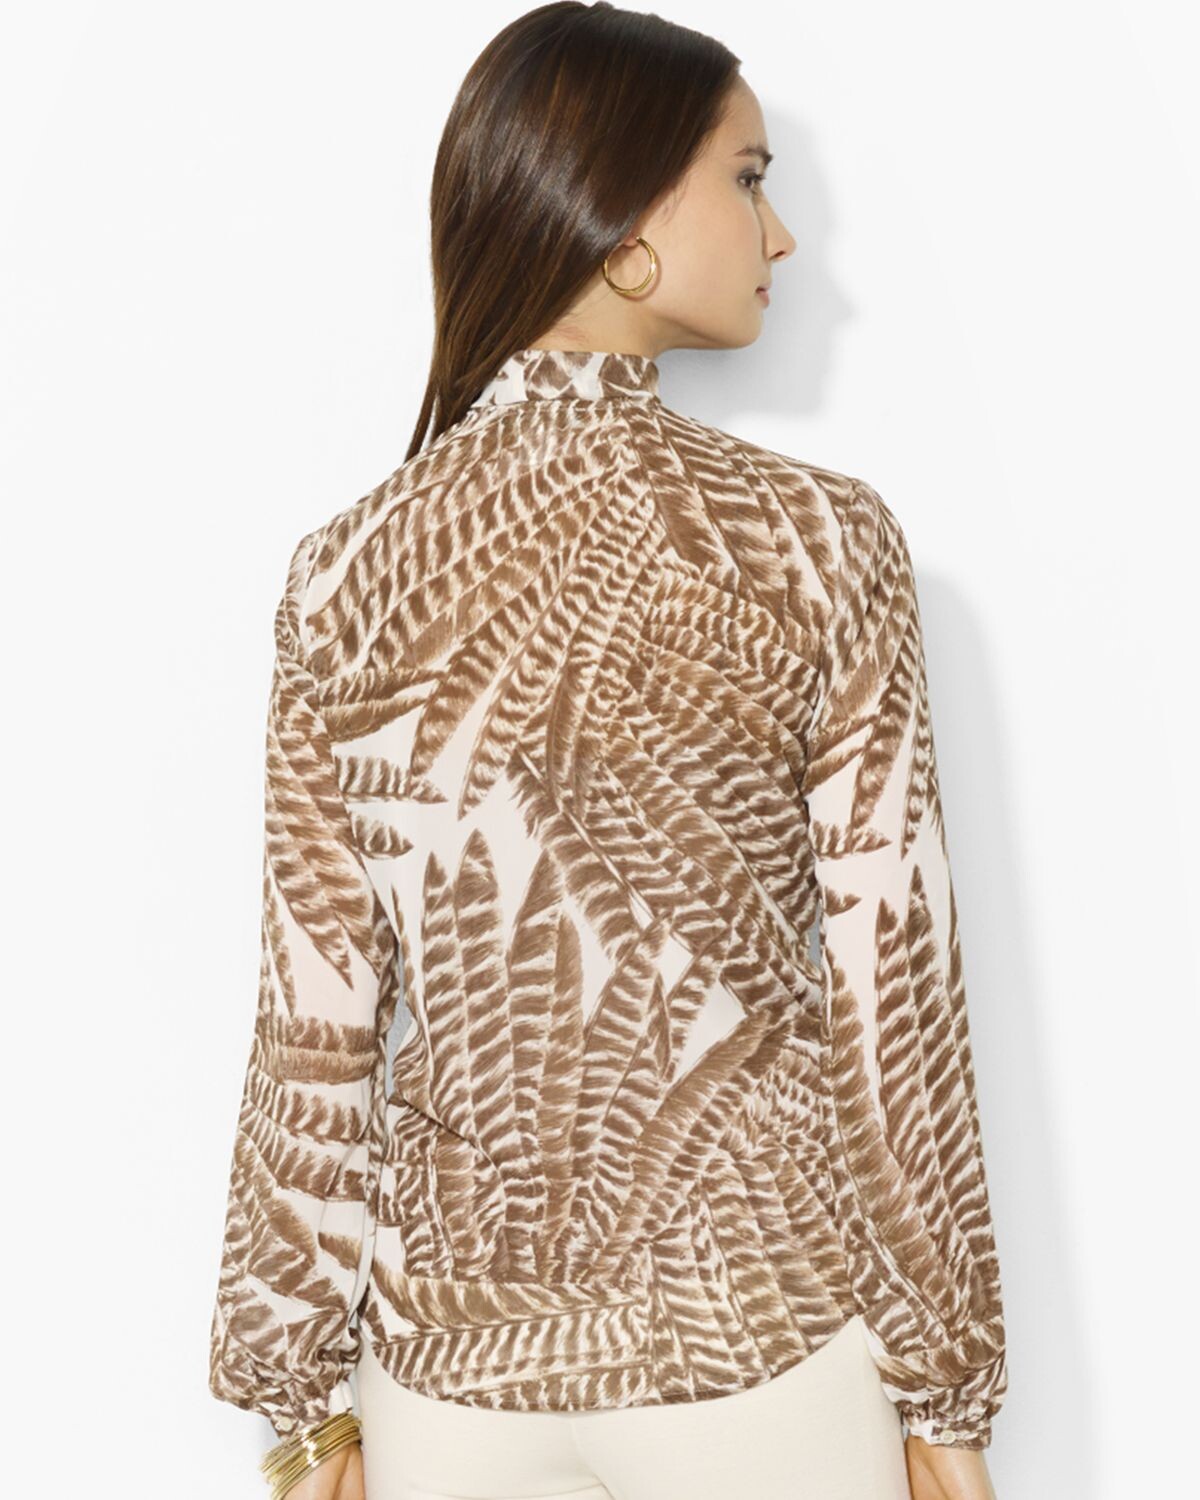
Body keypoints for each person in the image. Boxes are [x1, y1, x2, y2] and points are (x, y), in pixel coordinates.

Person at [206, 5, 1009, 1499]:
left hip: (446, 1379)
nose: (782, 237)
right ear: (628, 226)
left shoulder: (343, 575)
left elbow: (312, 1019)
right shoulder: (816, 543)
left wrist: (298, 1400)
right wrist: (947, 1380)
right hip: (752, 1341)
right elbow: (892, 996)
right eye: (749, 179)